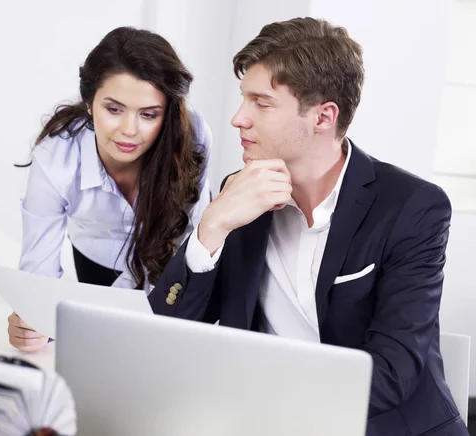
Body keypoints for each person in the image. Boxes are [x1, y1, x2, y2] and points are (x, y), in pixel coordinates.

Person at [149, 17, 467, 436]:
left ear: (323, 117)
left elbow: (394, 370)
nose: (238, 119)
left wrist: (267, 403)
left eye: (261, 103)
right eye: (244, 99)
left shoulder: (411, 206)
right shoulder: (241, 193)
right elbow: (169, 331)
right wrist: (212, 226)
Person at [9, 26, 212, 352]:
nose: (129, 131)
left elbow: (192, 239)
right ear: (89, 102)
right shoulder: (56, 157)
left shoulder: (193, 135)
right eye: (113, 109)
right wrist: (34, 319)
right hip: (98, 264)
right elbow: (37, 274)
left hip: (170, 263)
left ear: (167, 115)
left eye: (148, 115)